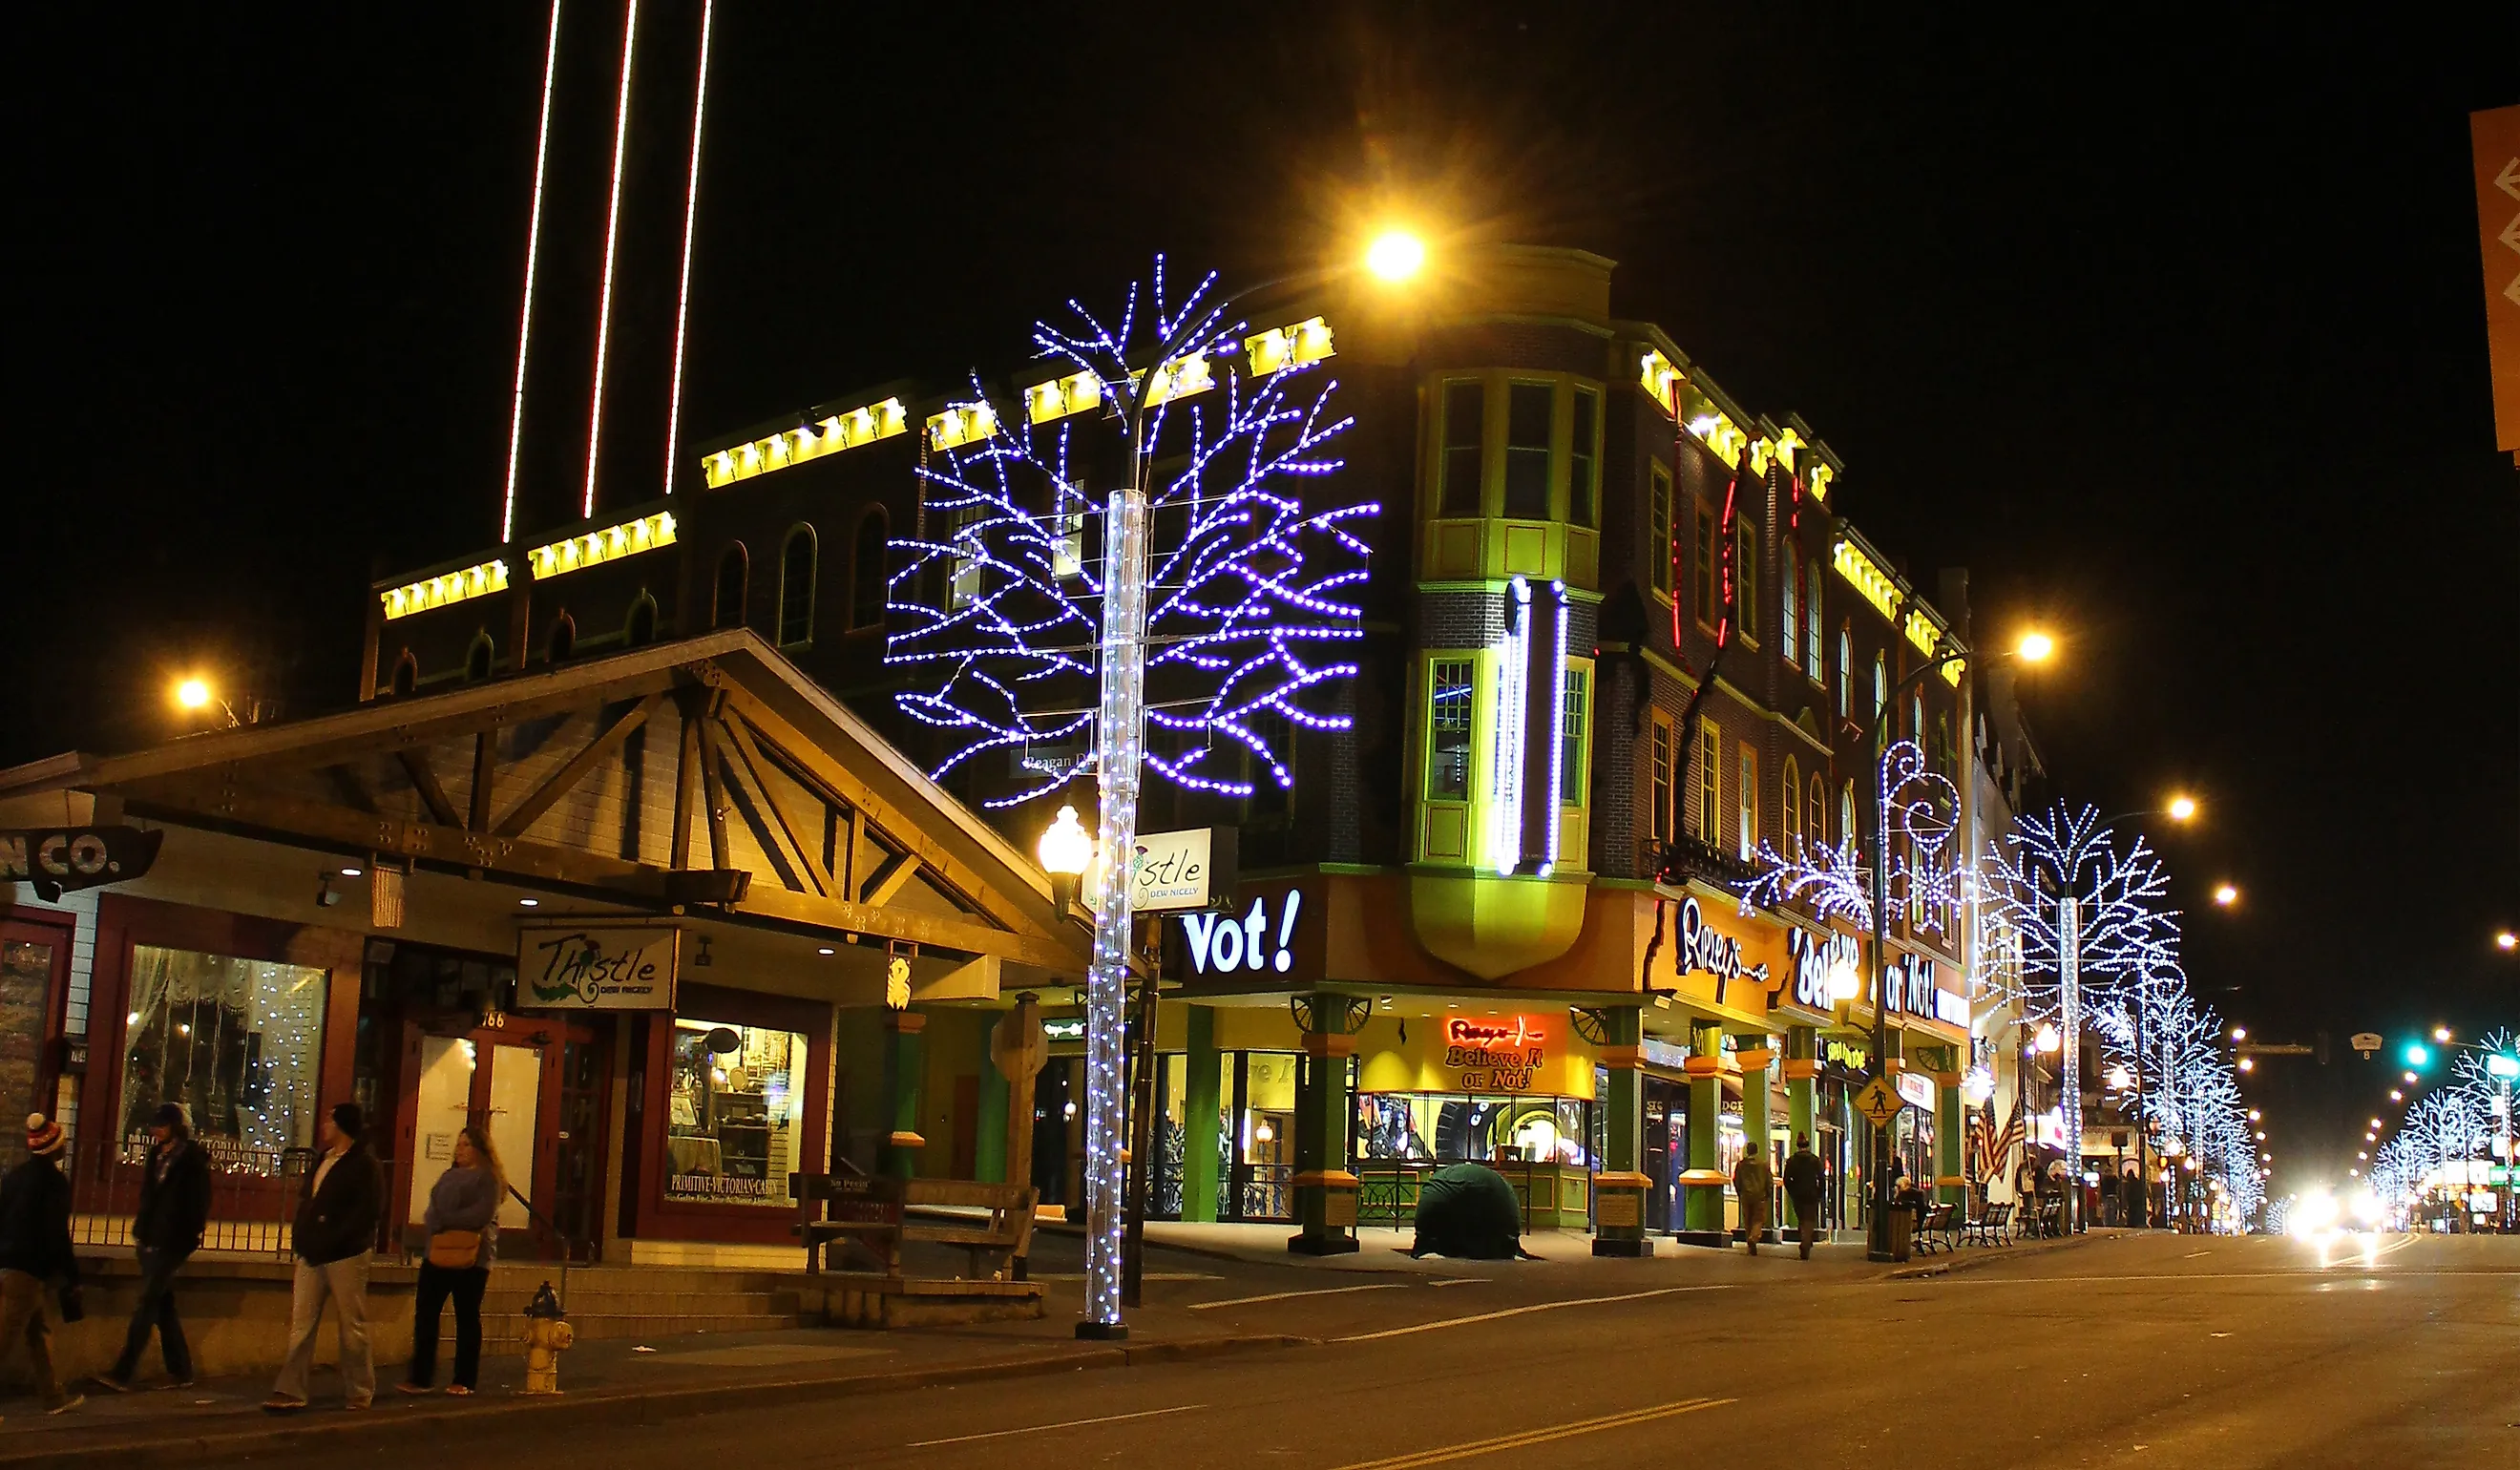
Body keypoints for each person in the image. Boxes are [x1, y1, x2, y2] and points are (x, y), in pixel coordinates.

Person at [265, 1102, 383, 1413]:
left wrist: (336, 1235)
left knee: (351, 1324)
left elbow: (367, 1212)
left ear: (343, 1126)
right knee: (301, 1323)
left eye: (330, 1120)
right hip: (313, 1252)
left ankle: (359, 1390)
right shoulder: (323, 1159)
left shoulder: (363, 1165)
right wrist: (303, 1234)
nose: (324, 1126)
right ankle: (291, 1389)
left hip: (345, 1253)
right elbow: (309, 1199)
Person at [93, 1102, 210, 1394]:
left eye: (161, 1125)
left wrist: (186, 1234)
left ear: (174, 1127)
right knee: (162, 1304)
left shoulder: (191, 1160)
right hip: (152, 1238)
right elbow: (149, 1195)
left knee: (147, 1303)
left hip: (174, 1241)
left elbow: (197, 1203)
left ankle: (123, 1370)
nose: (155, 1130)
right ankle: (181, 1370)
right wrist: (142, 1233)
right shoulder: (156, 1155)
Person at [401, 1126, 503, 1396]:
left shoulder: (487, 1180)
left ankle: (464, 1378)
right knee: (426, 1312)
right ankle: (421, 1376)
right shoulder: (448, 1176)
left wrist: (446, 1221)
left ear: (479, 1149)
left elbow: (479, 1215)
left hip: (472, 1257)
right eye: (458, 1144)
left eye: (466, 1144)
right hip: (438, 1251)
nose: (459, 1149)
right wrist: (436, 1221)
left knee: (467, 1316)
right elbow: (433, 1208)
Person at [0, 1115, 84, 1415]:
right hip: (27, 1268)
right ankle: (51, 1396)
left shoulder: (16, 1176)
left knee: (38, 1331)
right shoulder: (54, 1183)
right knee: (6, 1336)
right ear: (54, 1149)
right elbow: (56, 1233)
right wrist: (71, 1274)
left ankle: (52, 1396)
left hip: (8, 1264)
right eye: (62, 1143)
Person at [1782, 1133, 1825, 1260]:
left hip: (1798, 1195)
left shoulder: (1792, 1160)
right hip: (1812, 1194)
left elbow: (1786, 1179)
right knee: (1809, 1220)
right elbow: (1821, 1179)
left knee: (1802, 1218)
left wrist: (1792, 1191)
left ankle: (1805, 1239)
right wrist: (1819, 1193)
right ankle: (1806, 1242)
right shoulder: (1815, 1160)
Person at [1732, 1145, 1774, 1256]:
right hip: (1760, 1196)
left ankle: (1750, 1246)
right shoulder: (1763, 1165)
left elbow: (1736, 1180)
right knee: (1758, 1220)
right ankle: (1753, 1238)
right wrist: (1768, 1193)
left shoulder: (1741, 1165)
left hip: (1746, 1195)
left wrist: (1740, 1192)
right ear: (1757, 1151)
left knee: (1748, 1220)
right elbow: (1769, 1181)